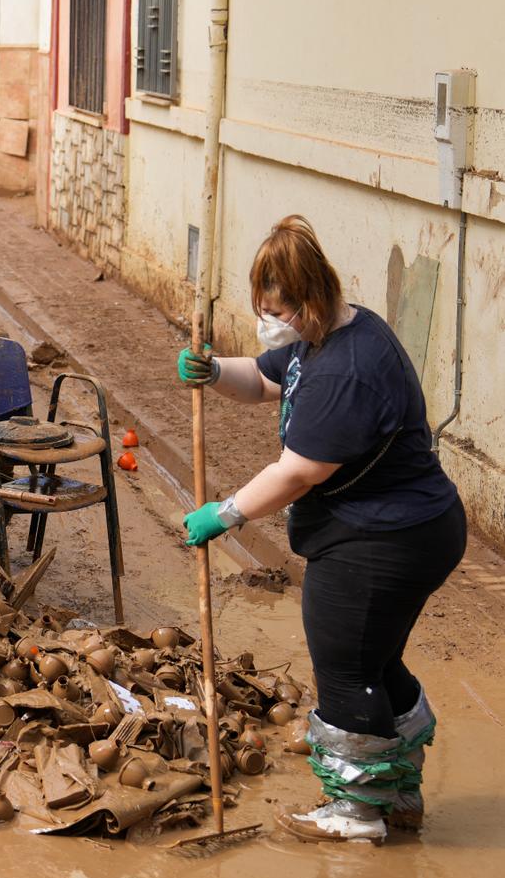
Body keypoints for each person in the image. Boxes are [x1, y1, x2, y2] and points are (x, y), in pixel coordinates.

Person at [177, 215, 465, 844]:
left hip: (387, 539)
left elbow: (298, 473)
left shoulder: (348, 369)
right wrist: (214, 371)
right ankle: (398, 794)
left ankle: (357, 812)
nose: (268, 322)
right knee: (375, 661)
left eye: (276, 311)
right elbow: (265, 377)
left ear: (310, 300)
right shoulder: (324, 335)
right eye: (262, 309)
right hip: (396, 526)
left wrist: (222, 514)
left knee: (344, 666)